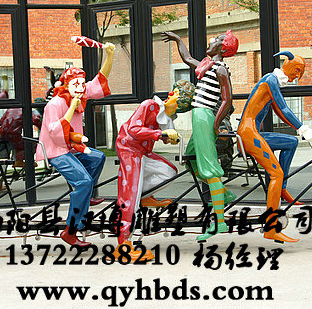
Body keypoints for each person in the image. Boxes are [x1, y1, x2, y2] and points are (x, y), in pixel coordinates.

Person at [237, 51, 312, 243]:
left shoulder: (272, 82)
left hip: (252, 132)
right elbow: (283, 109)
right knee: (276, 173)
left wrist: (300, 130)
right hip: (248, 133)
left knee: (291, 142)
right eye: (296, 72)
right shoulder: (270, 80)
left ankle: (281, 188)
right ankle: (271, 228)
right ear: (290, 66)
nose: (296, 78)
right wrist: (304, 129)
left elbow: (280, 111)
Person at [36, 42, 116, 248]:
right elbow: (56, 134)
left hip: (71, 148)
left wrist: (109, 55)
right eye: (76, 83)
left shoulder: (79, 92)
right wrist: (72, 107)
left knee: (98, 157)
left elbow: (100, 80)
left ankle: (85, 197)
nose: (81, 87)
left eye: (82, 83)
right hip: (56, 150)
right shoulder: (55, 104)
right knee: (83, 182)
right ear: (66, 85)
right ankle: (70, 230)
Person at [162, 29, 239, 242]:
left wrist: (216, 124)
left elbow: (228, 100)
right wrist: (178, 39)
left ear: (223, 48)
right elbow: (187, 59)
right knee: (191, 158)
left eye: (217, 40)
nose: (211, 41)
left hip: (205, 116)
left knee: (209, 168)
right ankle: (223, 192)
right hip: (199, 116)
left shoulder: (221, 68)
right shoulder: (209, 65)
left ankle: (220, 222)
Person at [115, 79, 195, 260]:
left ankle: (143, 196)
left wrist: (169, 137)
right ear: (173, 95)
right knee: (129, 196)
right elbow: (133, 129)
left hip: (143, 151)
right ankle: (123, 245)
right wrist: (159, 134)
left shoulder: (168, 119)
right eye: (179, 101)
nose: (179, 106)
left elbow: (165, 137)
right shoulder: (149, 105)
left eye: (184, 105)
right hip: (129, 148)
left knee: (168, 171)